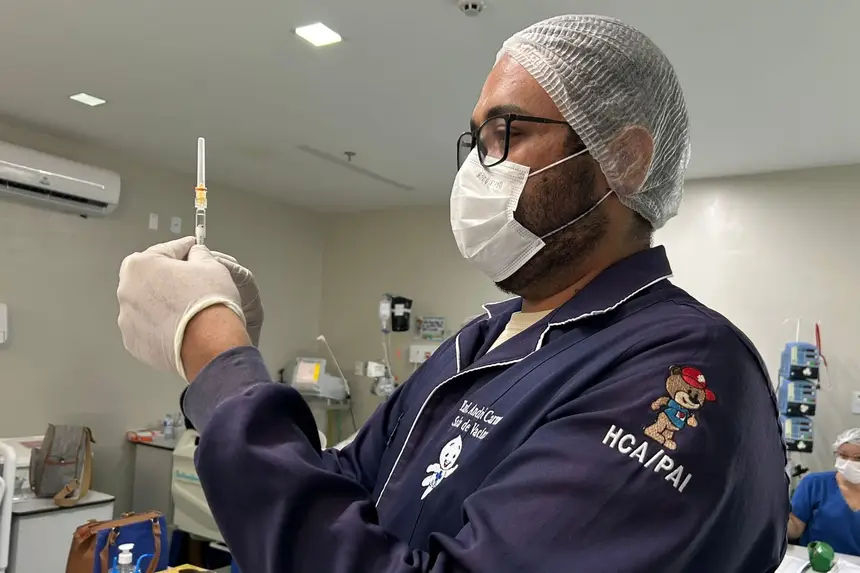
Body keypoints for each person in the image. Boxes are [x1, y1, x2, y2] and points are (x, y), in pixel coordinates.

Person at [116, 14, 788, 572]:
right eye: (476, 139)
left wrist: (215, 354)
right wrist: (243, 372)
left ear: (626, 160)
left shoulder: (682, 367)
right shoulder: (479, 343)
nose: (477, 168)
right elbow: (335, 503)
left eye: (508, 131)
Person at [788, 429, 860, 556]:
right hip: (817, 561)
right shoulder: (815, 484)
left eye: (858, 458)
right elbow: (795, 529)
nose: (850, 463)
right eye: (843, 456)